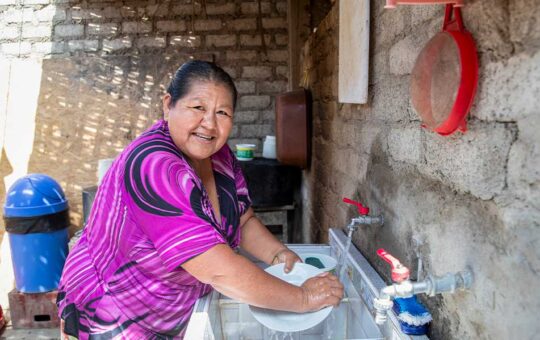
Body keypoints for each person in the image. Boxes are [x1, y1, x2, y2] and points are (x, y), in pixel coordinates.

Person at [57, 60, 343, 339]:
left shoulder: (219, 156)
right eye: (198, 108)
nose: (209, 124)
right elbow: (218, 270)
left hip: (172, 312)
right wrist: (303, 297)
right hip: (116, 316)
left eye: (222, 113)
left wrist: (279, 256)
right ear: (168, 105)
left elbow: (242, 219)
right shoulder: (154, 165)